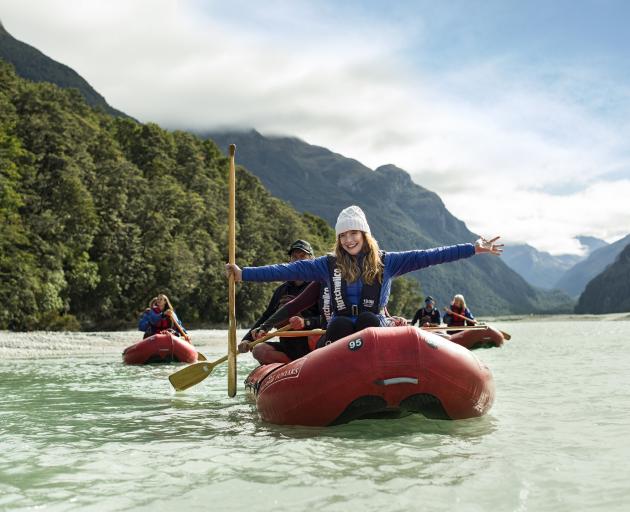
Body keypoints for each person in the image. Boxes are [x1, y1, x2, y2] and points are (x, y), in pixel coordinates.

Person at [226, 205, 502, 345]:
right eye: (343, 235)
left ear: (364, 235)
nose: (348, 240)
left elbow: (431, 255)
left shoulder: (388, 262)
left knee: (369, 318)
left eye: (353, 233)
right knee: (340, 324)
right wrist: (243, 274)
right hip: (341, 326)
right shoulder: (327, 265)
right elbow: (286, 270)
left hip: (374, 327)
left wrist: (473, 248)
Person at [238, 240, 321, 364]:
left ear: (312, 259)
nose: (298, 261)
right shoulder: (281, 290)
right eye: (294, 257)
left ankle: (309, 365)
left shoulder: (319, 285)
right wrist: (247, 339)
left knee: (316, 333)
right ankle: (293, 368)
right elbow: (267, 316)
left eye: (303, 256)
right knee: (258, 350)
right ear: (290, 261)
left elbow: (327, 318)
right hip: (289, 347)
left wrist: (305, 322)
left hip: (314, 345)